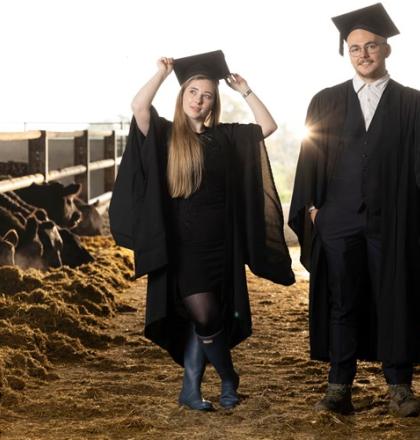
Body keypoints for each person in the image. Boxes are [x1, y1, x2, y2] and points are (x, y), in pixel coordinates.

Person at [288, 3, 420, 417]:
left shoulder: (412, 103)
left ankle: (400, 389)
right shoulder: (325, 101)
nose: (363, 54)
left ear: (387, 49)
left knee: (395, 299)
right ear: (346, 53)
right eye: (355, 49)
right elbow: (309, 157)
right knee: (342, 301)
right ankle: (339, 389)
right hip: (338, 220)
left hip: (392, 223)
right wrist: (316, 211)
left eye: (370, 46)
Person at [109, 50, 295, 411]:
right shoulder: (164, 135)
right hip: (185, 247)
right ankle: (229, 378)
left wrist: (246, 91)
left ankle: (190, 390)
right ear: (183, 96)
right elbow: (138, 106)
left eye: (206, 95)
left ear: (213, 104)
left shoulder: (225, 137)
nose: (198, 99)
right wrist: (162, 74)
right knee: (206, 315)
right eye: (193, 91)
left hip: (223, 246)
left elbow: (267, 127)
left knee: (204, 318)